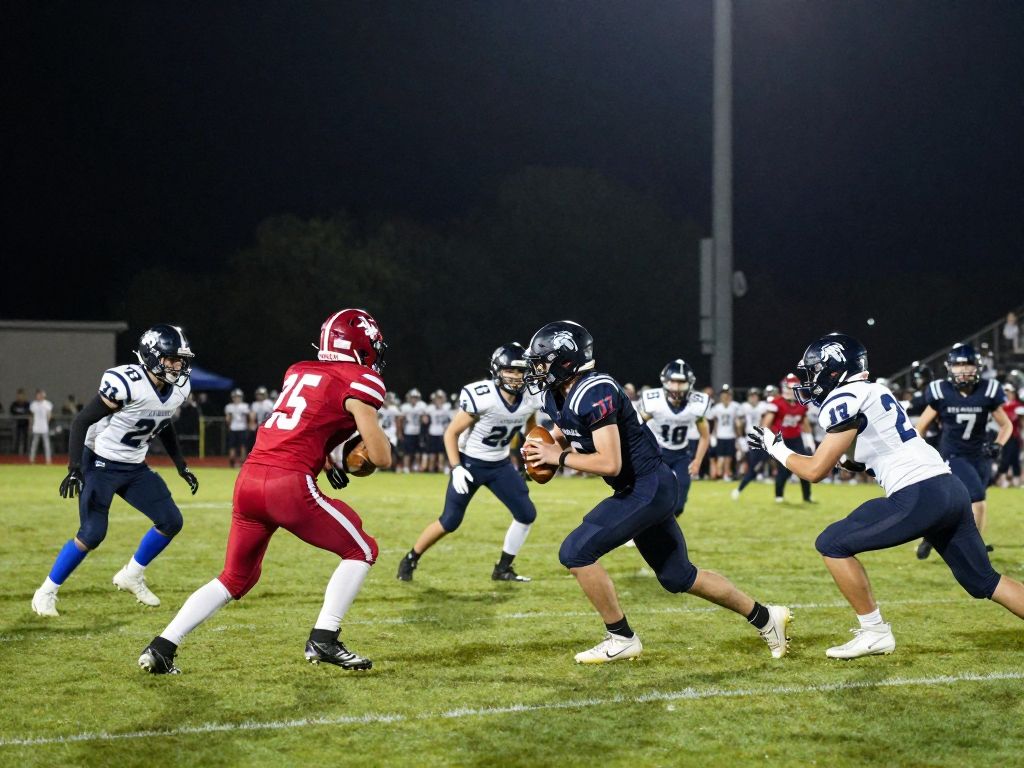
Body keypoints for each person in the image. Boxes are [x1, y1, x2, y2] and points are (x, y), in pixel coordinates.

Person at [138, 308, 391, 675]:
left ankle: (162, 646)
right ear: (361, 346)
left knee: (235, 577)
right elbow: (381, 456)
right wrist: (368, 447)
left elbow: (299, 425)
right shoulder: (362, 379)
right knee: (362, 549)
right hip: (288, 485)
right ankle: (324, 637)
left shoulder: (298, 371)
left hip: (250, 480)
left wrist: (327, 459)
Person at [521, 321, 790, 664]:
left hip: (647, 486)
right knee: (679, 576)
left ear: (565, 361)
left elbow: (610, 463)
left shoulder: (595, 390)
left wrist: (556, 457)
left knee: (575, 552)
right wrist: (544, 445)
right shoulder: (557, 394)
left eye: (542, 362)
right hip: (642, 488)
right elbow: (568, 427)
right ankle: (766, 617)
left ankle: (621, 637)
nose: (537, 370)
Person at [750, 332, 1024, 659]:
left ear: (835, 369)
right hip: (949, 488)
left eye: (815, 371)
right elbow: (869, 455)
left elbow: (814, 472)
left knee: (832, 543)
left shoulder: (843, 399)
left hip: (918, 492)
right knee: (984, 581)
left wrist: (775, 448)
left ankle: (875, 632)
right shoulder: (876, 391)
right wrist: (847, 461)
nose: (810, 380)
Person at [31, 325, 199, 618]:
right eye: (172, 359)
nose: (177, 366)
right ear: (152, 356)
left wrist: (180, 465)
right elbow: (81, 421)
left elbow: (164, 423)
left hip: (134, 466)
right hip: (100, 463)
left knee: (171, 520)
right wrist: (74, 468)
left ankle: (131, 575)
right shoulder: (127, 382)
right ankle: (46, 592)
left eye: (180, 360)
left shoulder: (178, 389)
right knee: (92, 534)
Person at [398, 343, 542, 583]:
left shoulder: (530, 398)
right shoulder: (484, 397)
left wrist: (533, 456)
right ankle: (411, 558)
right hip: (470, 464)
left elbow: (531, 429)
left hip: (500, 465)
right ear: (497, 370)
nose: (516, 376)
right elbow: (450, 433)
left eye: (520, 371)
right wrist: (456, 468)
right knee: (450, 521)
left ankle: (503, 569)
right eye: (510, 370)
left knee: (526, 514)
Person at [913, 343, 1011, 559]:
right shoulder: (942, 391)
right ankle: (975, 552)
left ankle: (932, 535)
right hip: (953, 454)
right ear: (950, 368)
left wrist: (998, 444)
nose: (964, 370)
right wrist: (920, 452)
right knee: (978, 500)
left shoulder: (988, 390)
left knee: (956, 503)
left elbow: (1006, 425)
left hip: (980, 455)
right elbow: (920, 427)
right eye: (958, 365)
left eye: (968, 364)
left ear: (978, 367)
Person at [635, 359, 710, 518]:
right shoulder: (655, 402)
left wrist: (697, 461)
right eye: (673, 382)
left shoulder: (696, 405)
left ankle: (662, 527)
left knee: (679, 505)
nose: (676, 387)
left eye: (681, 382)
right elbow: (636, 427)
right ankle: (643, 527)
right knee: (650, 496)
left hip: (681, 455)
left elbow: (705, 436)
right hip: (657, 453)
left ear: (690, 383)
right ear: (665, 381)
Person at [763, 374, 816, 503]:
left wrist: (810, 441)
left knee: (804, 467)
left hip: (796, 439)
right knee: (784, 469)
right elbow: (765, 424)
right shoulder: (776, 403)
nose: (791, 390)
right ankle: (779, 496)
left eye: (794, 387)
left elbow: (805, 424)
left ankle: (807, 497)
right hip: (781, 440)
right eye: (789, 387)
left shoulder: (801, 405)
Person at [732, 386, 773, 499]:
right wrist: (740, 438)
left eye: (755, 396)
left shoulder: (764, 406)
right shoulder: (744, 407)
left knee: (769, 458)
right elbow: (738, 423)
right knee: (753, 466)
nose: (753, 398)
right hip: (752, 439)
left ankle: (763, 474)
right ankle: (740, 487)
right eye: (751, 396)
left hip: (764, 437)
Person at [709, 385, 742, 482]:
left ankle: (726, 474)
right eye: (724, 394)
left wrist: (739, 436)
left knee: (728, 457)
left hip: (730, 435)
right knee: (721, 457)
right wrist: (713, 434)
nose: (725, 396)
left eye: (727, 394)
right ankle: (719, 474)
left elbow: (737, 423)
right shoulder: (717, 408)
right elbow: (714, 422)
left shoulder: (735, 406)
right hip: (720, 435)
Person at [995, 383, 1022, 488]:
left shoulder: (1018, 405)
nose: (1007, 394)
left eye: (1009, 392)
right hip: (1004, 436)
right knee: (1005, 458)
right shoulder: (1000, 406)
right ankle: (1002, 479)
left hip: (1015, 435)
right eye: (1005, 392)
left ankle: (1016, 479)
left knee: (1015, 458)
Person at [423, 389, 452, 473]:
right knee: (432, 452)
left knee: (441, 452)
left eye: (440, 398)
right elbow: (425, 420)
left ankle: (441, 469)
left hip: (442, 432)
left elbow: (452, 419)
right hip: (433, 432)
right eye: (438, 398)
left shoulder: (447, 407)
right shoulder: (430, 408)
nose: (439, 400)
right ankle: (431, 469)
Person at [399, 389, 427, 473]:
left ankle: (416, 466)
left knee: (418, 452)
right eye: (412, 397)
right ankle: (406, 467)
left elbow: (425, 420)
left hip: (418, 432)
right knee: (407, 452)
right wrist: (400, 432)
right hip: (408, 432)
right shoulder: (405, 407)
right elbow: (400, 420)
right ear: (409, 398)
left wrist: (424, 416)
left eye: (415, 397)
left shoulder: (422, 406)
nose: (414, 399)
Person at [224, 388, 250, 468]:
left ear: (241, 397)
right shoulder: (229, 406)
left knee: (243, 446)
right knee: (232, 446)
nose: (236, 398)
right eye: (235, 397)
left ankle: (242, 462)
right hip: (233, 428)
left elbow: (248, 417)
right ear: (232, 397)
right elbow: (228, 419)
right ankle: (232, 461)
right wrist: (228, 425)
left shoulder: (244, 406)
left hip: (242, 428)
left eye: (238, 397)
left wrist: (248, 425)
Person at [28, 389, 54, 464]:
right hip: (36, 427)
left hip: (44, 427)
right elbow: (31, 416)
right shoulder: (33, 404)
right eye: (38, 395)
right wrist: (31, 425)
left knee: (46, 445)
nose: (39, 396)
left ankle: (48, 460)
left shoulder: (47, 404)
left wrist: (47, 423)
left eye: (40, 394)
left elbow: (49, 415)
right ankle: (32, 459)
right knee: (34, 444)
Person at [10, 389, 31, 455]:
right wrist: (21, 413)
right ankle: (15, 452)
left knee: (25, 439)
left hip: (25, 424)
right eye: (19, 396)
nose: (20, 397)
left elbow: (29, 412)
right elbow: (12, 412)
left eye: (21, 395)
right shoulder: (14, 404)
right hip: (17, 424)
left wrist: (21, 413)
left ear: (24, 396)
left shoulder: (27, 404)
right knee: (16, 439)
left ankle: (25, 452)